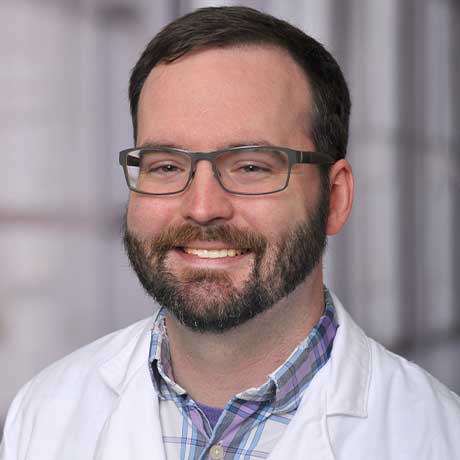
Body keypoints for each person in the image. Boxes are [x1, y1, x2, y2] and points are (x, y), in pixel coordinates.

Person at [1, 6, 459, 460]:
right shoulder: (44, 415)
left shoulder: (440, 438)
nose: (202, 209)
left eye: (251, 166)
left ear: (335, 198)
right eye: (166, 166)